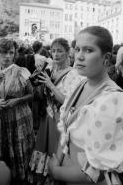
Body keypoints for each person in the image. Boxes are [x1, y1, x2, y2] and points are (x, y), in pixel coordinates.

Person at [48, 26, 123, 185]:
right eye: (77, 49)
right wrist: (59, 159)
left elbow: (94, 173)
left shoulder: (113, 100)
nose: (79, 56)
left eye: (88, 50)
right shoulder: (79, 85)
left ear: (106, 58)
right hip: (67, 170)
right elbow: (66, 132)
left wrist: (56, 172)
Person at [28, 38, 83, 184]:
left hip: (61, 119)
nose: (56, 54)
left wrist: (50, 85)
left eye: (60, 51)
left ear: (67, 53)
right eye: (53, 51)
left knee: (56, 150)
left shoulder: (74, 74)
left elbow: (68, 102)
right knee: (43, 147)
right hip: (47, 116)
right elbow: (40, 95)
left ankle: (55, 176)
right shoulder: (50, 69)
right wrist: (36, 82)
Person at [0, 39, 34, 184]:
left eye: (10, 53)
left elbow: (32, 95)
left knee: (18, 147)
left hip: (19, 117)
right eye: (3, 52)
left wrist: (17, 100)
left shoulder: (21, 71)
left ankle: (20, 177)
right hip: (2, 118)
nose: (7, 56)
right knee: (5, 146)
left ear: (14, 55)